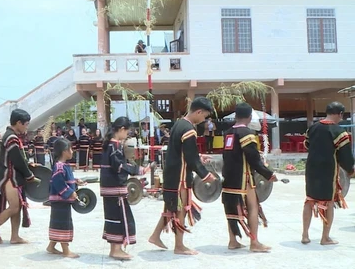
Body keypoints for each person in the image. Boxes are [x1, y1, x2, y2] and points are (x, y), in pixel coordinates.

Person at [149, 97, 216, 255]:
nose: (204, 119)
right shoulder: (189, 129)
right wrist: (205, 175)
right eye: (204, 116)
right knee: (181, 209)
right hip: (180, 177)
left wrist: (198, 157)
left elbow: (184, 153)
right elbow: (191, 158)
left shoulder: (179, 124)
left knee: (171, 206)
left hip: (172, 173)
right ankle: (179, 246)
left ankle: (155, 235)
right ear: (198, 112)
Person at [221, 102, 278, 252]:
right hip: (243, 179)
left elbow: (229, 155)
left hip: (228, 177)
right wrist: (269, 174)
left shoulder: (227, 133)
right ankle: (254, 243)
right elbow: (254, 160)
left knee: (231, 209)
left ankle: (233, 241)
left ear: (236, 115)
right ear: (250, 116)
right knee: (253, 208)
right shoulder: (248, 134)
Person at [302, 101, 354, 245]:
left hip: (311, 169)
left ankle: (305, 235)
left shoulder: (312, 128)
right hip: (328, 171)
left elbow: (306, 144)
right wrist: (350, 170)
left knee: (309, 200)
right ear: (340, 114)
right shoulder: (339, 132)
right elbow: (345, 156)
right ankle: (325, 237)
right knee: (329, 202)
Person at [100, 117, 152, 260]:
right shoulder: (114, 145)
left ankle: (116, 248)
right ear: (122, 129)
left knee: (114, 217)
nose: (127, 134)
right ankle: (116, 250)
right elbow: (119, 166)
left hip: (109, 188)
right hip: (114, 189)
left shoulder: (109, 144)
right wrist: (138, 170)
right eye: (127, 131)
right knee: (119, 218)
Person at [0, 109, 41, 244]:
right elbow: (17, 160)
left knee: (17, 207)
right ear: (18, 123)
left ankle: (15, 236)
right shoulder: (11, 137)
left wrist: (29, 165)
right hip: (9, 177)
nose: (26, 127)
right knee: (14, 207)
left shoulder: (12, 135)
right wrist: (29, 175)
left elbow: (20, 158)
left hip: (14, 176)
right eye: (26, 124)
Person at [46, 138, 85, 258]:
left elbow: (65, 180)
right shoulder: (59, 167)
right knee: (63, 224)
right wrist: (69, 192)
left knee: (58, 223)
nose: (72, 151)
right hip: (60, 201)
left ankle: (51, 246)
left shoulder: (64, 166)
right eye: (71, 149)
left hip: (62, 201)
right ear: (64, 151)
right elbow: (58, 184)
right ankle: (66, 250)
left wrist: (75, 181)